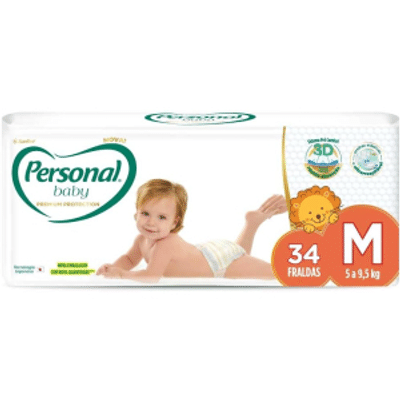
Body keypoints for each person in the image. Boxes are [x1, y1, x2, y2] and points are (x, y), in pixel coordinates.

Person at [97, 179, 287, 282]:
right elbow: (129, 259)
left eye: (161, 217)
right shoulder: (141, 240)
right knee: (241, 254)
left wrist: (121, 274)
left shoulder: (165, 244)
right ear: (136, 213)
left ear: (174, 222)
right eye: (145, 213)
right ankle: (251, 224)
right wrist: (113, 268)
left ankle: (254, 224)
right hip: (206, 251)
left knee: (277, 273)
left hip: (217, 264)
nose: (151, 223)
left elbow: (151, 277)